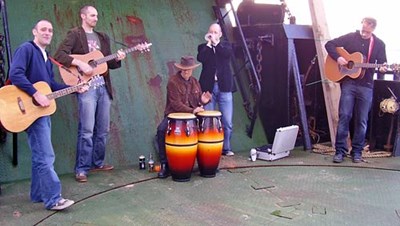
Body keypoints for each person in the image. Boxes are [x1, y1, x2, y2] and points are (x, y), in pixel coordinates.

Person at [9, 20, 79, 210]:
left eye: (50, 30)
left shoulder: (46, 57)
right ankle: (53, 199)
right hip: (29, 111)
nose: (47, 33)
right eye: (43, 30)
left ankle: (38, 194)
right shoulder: (26, 49)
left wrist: (75, 88)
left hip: (40, 113)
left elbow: (51, 86)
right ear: (35, 32)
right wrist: (35, 93)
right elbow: (15, 74)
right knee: (46, 156)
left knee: (40, 156)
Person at [54, 5, 126, 182]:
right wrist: (80, 63)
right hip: (86, 88)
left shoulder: (103, 37)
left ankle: (97, 163)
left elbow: (108, 64)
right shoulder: (75, 34)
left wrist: (117, 58)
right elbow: (59, 55)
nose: (96, 18)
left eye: (97, 15)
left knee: (103, 129)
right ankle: (81, 169)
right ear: (83, 16)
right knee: (86, 130)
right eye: (92, 15)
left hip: (103, 87)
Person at [325, 17, 387, 163]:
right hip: (349, 84)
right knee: (344, 116)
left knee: (362, 120)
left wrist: (383, 69)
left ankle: (357, 152)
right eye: (362, 30)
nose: (363, 33)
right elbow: (329, 44)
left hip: (366, 86)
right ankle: (340, 151)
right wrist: (339, 58)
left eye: (367, 31)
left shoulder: (378, 44)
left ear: (373, 29)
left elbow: (382, 65)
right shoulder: (351, 37)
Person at [156, 56, 211, 178]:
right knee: (161, 130)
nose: (186, 71)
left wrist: (202, 101)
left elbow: (198, 102)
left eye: (189, 69)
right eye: (184, 69)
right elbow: (175, 104)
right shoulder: (173, 82)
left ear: (192, 69)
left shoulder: (195, 82)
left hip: (191, 116)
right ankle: (165, 164)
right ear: (180, 69)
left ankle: (205, 164)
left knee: (206, 131)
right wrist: (193, 110)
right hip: (174, 116)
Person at [197, 23, 235, 156]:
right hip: (208, 88)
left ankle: (226, 148)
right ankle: (209, 148)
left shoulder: (226, 46)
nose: (212, 34)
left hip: (224, 87)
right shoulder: (203, 47)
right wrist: (209, 44)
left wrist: (216, 44)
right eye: (210, 31)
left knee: (227, 121)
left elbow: (225, 54)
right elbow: (200, 58)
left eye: (215, 32)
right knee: (208, 120)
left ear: (220, 34)